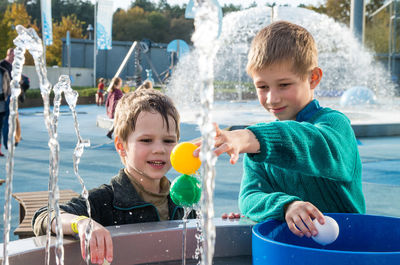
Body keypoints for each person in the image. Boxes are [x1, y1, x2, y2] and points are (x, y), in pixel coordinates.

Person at [195, 21, 365, 239]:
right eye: (262, 87)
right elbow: (249, 197)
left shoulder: (335, 125)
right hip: (289, 253)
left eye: (284, 85)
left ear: (313, 78)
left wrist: (249, 136)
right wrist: (286, 206)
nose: (272, 98)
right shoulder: (258, 147)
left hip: (348, 252)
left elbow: (311, 143)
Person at [32, 89, 195, 264]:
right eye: (146, 140)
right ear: (121, 146)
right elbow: (44, 216)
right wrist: (81, 223)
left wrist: (227, 222)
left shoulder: (181, 199)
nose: (159, 149)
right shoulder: (106, 200)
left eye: (168, 141)